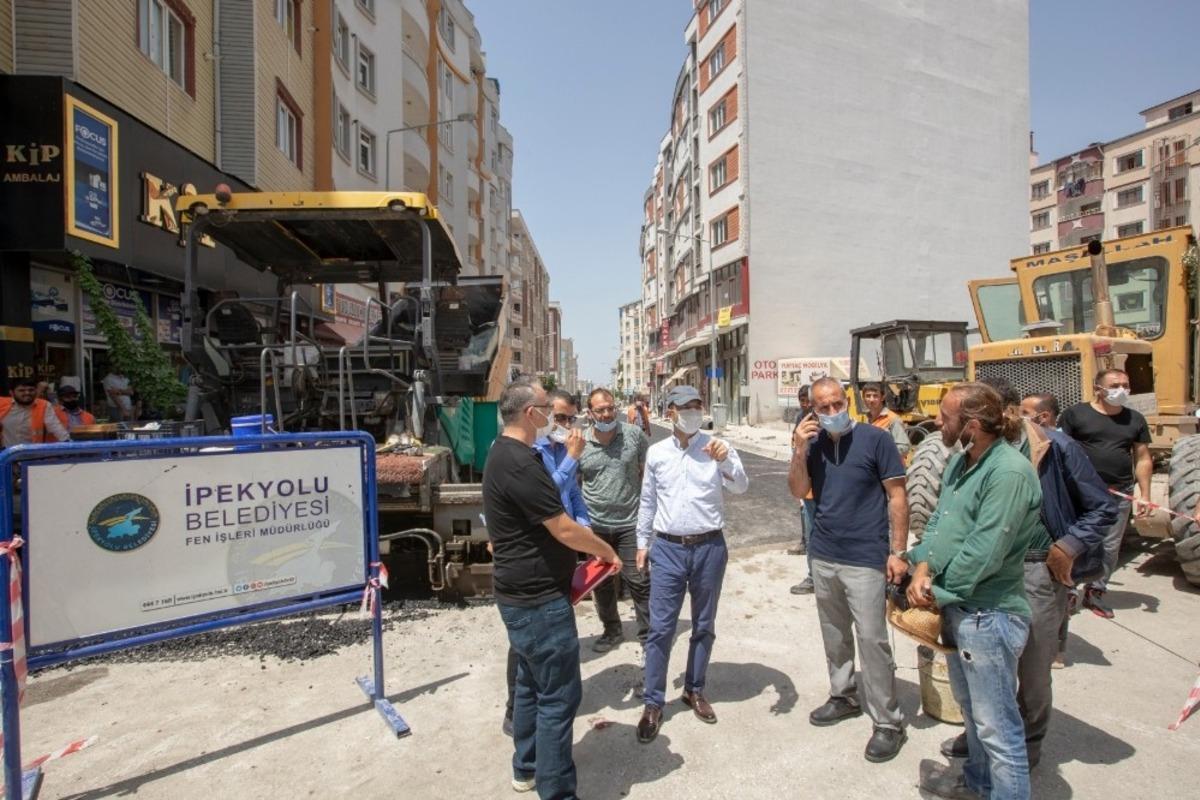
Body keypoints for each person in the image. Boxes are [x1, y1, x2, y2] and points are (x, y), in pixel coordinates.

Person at [938, 379, 1116, 771]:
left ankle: (1027, 747)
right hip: (986, 569)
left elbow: (1103, 507)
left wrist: (1068, 545)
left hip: (1035, 571)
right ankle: (980, 737)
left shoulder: (1056, 447)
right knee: (979, 667)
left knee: (1032, 670)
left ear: (1004, 412)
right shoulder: (973, 453)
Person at [483, 379, 619, 798]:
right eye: (548, 408)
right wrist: (606, 552)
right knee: (558, 698)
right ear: (530, 414)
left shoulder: (501, 455)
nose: (554, 417)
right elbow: (562, 526)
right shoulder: (521, 462)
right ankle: (557, 791)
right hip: (539, 602)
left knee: (528, 684)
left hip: (520, 596)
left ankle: (525, 767)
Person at [907, 383, 1042, 800]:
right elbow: (938, 524)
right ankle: (980, 787)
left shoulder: (1008, 472)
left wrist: (935, 592)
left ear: (972, 424)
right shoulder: (961, 462)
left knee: (998, 729)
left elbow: (986, 549)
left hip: (990, 616)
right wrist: (921, 566)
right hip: (961, 611)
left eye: (946, 417)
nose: (937, 422)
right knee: (975, 718)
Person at [787, 377, 909, 762]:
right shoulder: (814, 445)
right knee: (835, 634)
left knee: (872, 639)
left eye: (837, 404)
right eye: (822, 408)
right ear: (812, 409)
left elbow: (897, 495)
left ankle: (888, 721)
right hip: (824, 554)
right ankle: (844, 695)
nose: (831, 413)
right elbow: (797, 490)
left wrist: (898, 552)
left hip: (865, 557)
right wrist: (798, 449)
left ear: (848, 401)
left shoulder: (877, 439)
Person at [635, 384, 748, 743]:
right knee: (661, 628)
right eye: (685, 406)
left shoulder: (717, 447)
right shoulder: (657, 454)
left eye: (697, 405)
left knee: (703, 624)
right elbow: (648, 500)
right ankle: (653, 701)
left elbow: (741, 488)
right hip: (667, 549)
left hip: (710, 547)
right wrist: (642, 542)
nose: (692, 411)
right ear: (670, 412)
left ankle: (694, 688)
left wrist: (726, 460)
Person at [499, 390, 593, 741]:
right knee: (527, 643)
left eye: (571, 419)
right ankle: (515, 710)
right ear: (539, 415)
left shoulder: (560, 449)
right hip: (537, 554)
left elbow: (573, 494)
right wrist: (570, 458)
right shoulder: (529, 455)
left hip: (564, 547)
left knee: (550, 636)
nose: (566, 425)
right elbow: (547, 497)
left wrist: (584, 525)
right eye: (560, 417)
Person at [1058, 369, 1152, 618]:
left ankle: (1095, 592)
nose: (1121, 389)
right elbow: (1059, 451)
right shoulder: (1075, 415)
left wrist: (1144, 493)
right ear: (1098, 389)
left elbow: (1142, 457)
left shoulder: (1135, 419)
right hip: (1081, 494)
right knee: (1076, 542)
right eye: (1115, 385)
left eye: (1125, 384)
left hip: (1119, 494)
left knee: (1109, 547)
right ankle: (1067, 591)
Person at [579, 387, 651, 656]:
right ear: (590, 413)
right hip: (595, 526)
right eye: (600, 409)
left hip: (630, 522)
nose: (607, 413)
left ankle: (647, 635)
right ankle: (612, 630)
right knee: (602, 582)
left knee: (639, 579)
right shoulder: (580, 442)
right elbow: (574, 484)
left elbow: (648, 474)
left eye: (610, 407)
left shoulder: (634, 436)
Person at [788, 384, 815, 564]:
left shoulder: (817, 420)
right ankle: (805, 542)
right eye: (802, 401)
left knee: (812, 517)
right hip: (801, 473)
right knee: (804, 510)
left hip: (813, 476)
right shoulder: (800, 417)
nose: (805, 404)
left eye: (808, 401)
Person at [0, 378, 70, 448]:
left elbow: (56, 428)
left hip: (34, 453)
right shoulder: (2, 403)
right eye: (21, 390)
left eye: (31, 390)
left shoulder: (44, 405)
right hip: (7, 455)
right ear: (11, 393)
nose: (27, 393)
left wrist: (70, 444)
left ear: (36, 391)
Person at [860, 381, 911, 460]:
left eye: (875, 396)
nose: (871, 400)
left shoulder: (892, 419)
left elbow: (904, 447)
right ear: (863, 398)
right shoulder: (864, 420)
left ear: (882, 397)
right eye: (868, 396)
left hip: (889, 469)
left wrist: (881, 454)